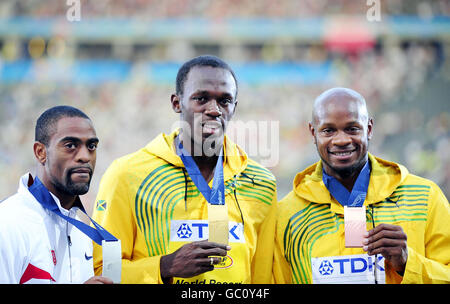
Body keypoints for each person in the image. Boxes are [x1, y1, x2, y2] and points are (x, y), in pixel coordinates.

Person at [91, 55, 277, 284]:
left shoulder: (261, 182)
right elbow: (103, 271)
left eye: (224, 101)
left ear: (234, 108)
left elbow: (264, 278)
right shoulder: (126, 175)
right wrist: (165, 266)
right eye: (201, 98)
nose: (214, 110)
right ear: (176, 103)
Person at [274, 87, 450, 284]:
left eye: (352, 128)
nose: (341, 140)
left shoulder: (425, 198)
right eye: (328, 130)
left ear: (369, 129)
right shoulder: (286, 215)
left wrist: (407, 262)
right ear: (313, 133)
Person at [0, 105, 113, 284]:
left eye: (91, 146)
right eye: (70, 145)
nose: (85, 156)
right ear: (40, 152)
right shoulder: (7, 223)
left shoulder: (81, 233)